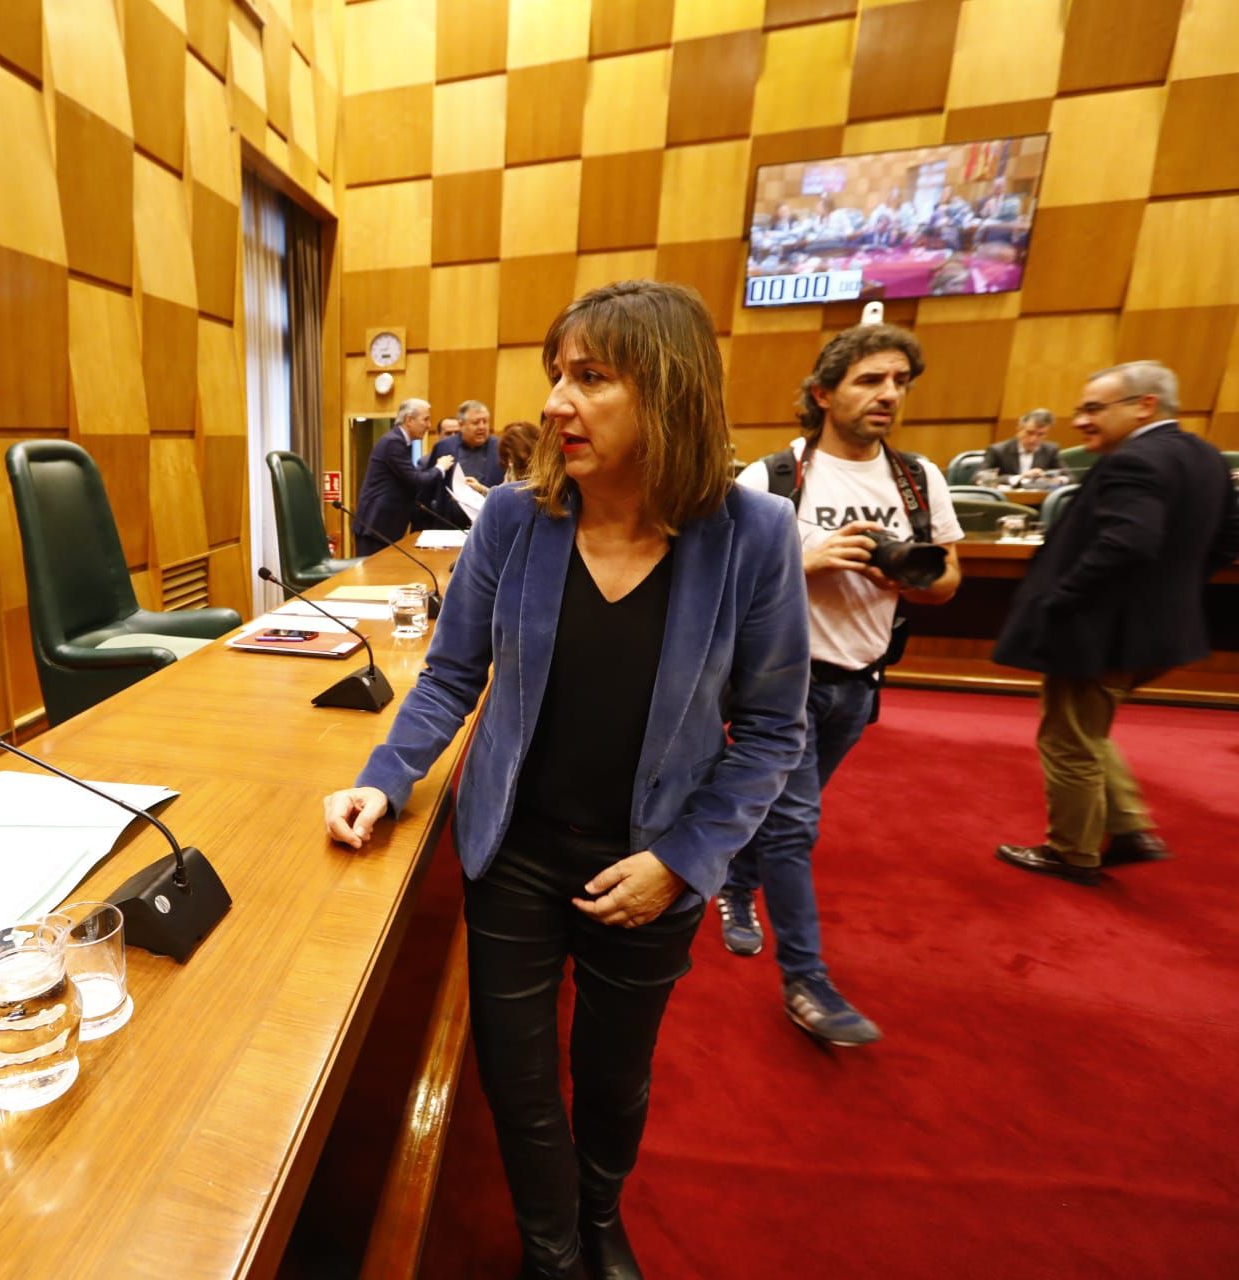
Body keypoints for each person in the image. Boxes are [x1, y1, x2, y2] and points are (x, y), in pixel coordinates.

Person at [323, 282, 809, 1280]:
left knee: (614, 1074)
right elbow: (455, 673)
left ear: (667, 392)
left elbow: (769, 731)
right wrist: (387, 772)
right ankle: (551, 1247)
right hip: (516, 847)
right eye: (557, 375)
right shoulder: (515, 518)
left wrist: (683, 861)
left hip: (652, 860)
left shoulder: (753, 536)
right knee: (516, 1068)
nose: (555, 402)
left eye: (591, 377)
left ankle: (596, 1215)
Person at [724, 324, 965, 1046]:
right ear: (824, 393)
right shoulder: (769, 478)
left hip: (860, 681)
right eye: (869, 380)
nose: (888, 394)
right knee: (796, 825)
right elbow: (720, 582)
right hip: (780, 681)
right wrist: (806, 561)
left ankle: (736, 884)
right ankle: (808, 981)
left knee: (781, 811)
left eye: (899, 381)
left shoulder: (918, 479)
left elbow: (949, 578)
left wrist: (911, 580)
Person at [994, 362, 1239, 882]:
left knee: (1068, 739)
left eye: (1093, 409)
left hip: (1100, 631)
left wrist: (1061, 598)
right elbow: (1227, 542)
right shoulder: (1205, 456)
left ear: (1143, 405)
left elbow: (1128, 541)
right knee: (1089, 729)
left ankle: (1071, 852)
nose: (1080, 422)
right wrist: (1170, 591)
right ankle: (1128, 828)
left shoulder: (1136, 461)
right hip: (1162, 630)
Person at [353, 398, 452, 553]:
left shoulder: (399, 442)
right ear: (409, 420)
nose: (429, 425)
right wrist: (440, 468)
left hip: (383, 528)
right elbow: (416, 480)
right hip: (376, 528)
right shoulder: (393, 442)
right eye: (425, 419)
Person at [425, 399, 504, 522]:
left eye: (485, 422)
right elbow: (429, 488)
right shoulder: (443, 447)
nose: (482, 427)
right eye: (476, 422)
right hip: (448, 523)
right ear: (461, 425)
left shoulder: (500, 447)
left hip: (490, 521)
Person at [985, 408, 1059, 476]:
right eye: (1030, 433)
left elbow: (1067, 476)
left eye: (1040, 434)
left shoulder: (1051, 450)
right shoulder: (998, 451)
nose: (1033, 439)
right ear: (1019, 429)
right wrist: (1019, 477)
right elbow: (980, 478)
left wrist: (1054, 479)